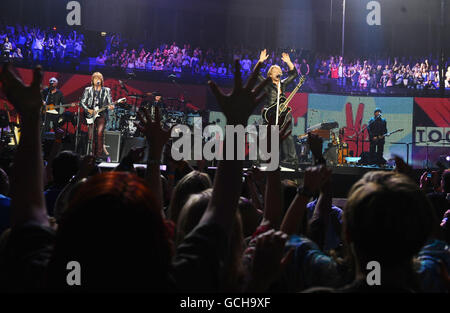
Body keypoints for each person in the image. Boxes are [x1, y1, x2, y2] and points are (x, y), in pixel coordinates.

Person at [256, 49, 299, 164]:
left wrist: (289, 62)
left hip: (283, 114)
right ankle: (261, 160)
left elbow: (294, 74)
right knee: (265, 136)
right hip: (269, 114)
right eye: (275, 70)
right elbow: (256, 74)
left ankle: (291, 159)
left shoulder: (283, 84)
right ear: (270, 74)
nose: (278, 71)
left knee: (287, 135)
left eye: (279, 70)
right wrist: (260, 61)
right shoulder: (266, 84)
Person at [79, 72, 120, 160]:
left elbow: (110, 103)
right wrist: (88, 109)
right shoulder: (88, 90)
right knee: (92, 135)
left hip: (102, 114)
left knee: (99, 134)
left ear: (101, 80)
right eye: (95, 78)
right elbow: (82, 102)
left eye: (99, 78)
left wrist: (111, 106)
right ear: (92, 80)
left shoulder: (106, 90)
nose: (97, 80)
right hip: (91, 114)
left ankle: (99, 155)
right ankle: (92, 154)